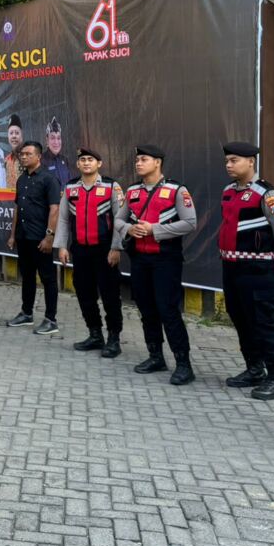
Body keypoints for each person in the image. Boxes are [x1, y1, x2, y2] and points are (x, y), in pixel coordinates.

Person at [114, 145, 197, 385]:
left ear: (157, 162)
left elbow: (190, 222)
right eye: (137, 159)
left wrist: (155, 230)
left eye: (144, 159)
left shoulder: (176, 190)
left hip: (166, 260)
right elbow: (119, 219)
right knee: (146, 309)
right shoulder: (132, 191)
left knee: (168, 310)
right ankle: (155, 356)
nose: (138, 163)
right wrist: (129, 228)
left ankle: (184, 364)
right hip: (139, 259)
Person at [219, 141, 274, 400]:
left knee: (263, 322)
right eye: (227, 161)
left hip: (259, 269)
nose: (229, 165)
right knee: (240, 318)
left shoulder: (267, 195)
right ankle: (254, 368)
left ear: (251, 161)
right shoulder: (228, 191)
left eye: (234, 160)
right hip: (232, 267)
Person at [57, 147, 125, 358]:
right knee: (84, 293)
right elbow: (63, 219)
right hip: (80, 251)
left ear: (99, 164)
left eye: (91, 160)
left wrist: (116, 248)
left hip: (105, 251)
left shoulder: (112, 187)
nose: (86, 163)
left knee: (110, 295)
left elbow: (120, 221)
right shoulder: (70, 188)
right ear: (77, 164)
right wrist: (61, 246)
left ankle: (114, 338)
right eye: (83, 160)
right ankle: (95, 334)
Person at [6, 142, 62, 335]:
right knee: (27, 276)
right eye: (22, 154)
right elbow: (16, 209)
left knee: (48, 279)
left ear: (38, 157)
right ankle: (26, 313)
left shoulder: (49, 179)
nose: (23, 157)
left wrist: (49, 237)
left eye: (28, 154)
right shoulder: (22, 179)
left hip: (41, 238)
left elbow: (54, 210)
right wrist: (13, 235)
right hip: (23, 237)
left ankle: (51, 319)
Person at [41, 116, 74, 188]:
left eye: (58, 138)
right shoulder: (41, 161)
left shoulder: (64, 160)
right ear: (47, 140)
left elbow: (71, 184)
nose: (56, 142)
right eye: (52, 138)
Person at [4, 113, 24, 189]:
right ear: (8, 136)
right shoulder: (6, 160)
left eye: (17, 133)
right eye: (11, 133)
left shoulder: (29, 157)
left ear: (21, 135)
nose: (14, 136)